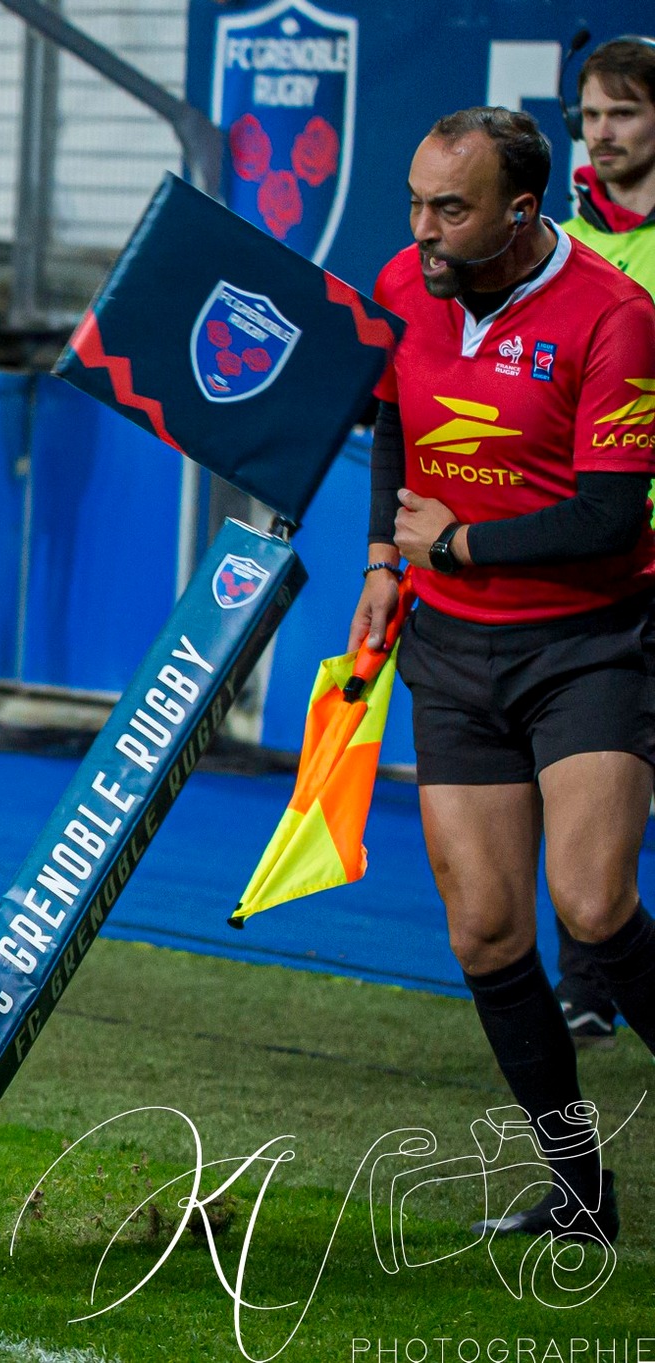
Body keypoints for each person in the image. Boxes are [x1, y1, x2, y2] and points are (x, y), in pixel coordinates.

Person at [349, 106, 655, 1245]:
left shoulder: (616, 319)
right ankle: (580, 1195)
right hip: (448, 643)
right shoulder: (403, 282)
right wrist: (387, 559)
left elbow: (607, 514)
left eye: (449, 210)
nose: (421, 232)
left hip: (585, 641)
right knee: (483, 932)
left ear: (519, 212)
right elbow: (392, 426)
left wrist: (454, 544)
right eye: (415, 203)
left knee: (592, 902)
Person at [553, 36, 655, 1045]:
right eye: (589, 114)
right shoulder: (557, 246)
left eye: (622, 111)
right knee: (579, 769)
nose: (603, 132)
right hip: (589, 551)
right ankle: (585, 986)